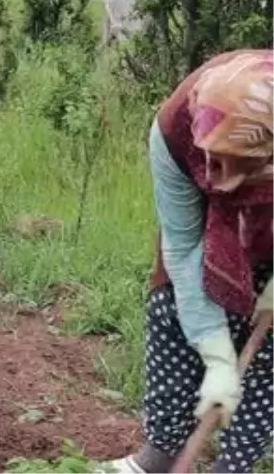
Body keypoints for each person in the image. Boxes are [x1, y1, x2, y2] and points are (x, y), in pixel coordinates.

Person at [96, 50, 274, 474]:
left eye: (239, 166)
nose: (218, 178)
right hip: (202, 237)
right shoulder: (175, 130)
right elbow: (181, 247)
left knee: (268, 350)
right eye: (213, 160)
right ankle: (158, 458)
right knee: (172, 302)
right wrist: (216, 358)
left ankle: (234, 466)